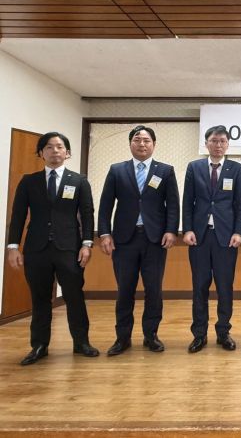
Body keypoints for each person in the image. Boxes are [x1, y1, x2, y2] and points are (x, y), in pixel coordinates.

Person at [6, 132, 99, 365]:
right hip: (36, 249)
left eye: (59, 147)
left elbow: (87, 214)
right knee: (39, 299)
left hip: (69, 248)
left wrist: (87, 243)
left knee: (74, 297)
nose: (54, 151)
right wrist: (13, 246)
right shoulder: (29, 181)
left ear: (67, 153)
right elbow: (18, 215)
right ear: (41, 153)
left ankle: (81, 342)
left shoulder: (79, 181)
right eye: (48, 147)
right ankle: (39, 345)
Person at [98, 125, 180, 356]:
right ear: (130, 143)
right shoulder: (117, 170)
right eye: (137, 140)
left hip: (155, 240)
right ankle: (122, 338)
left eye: (146, 140)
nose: (142, 144)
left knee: (154, 290)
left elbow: (173, 204)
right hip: (124, 240)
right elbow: (105, 205)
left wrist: (171, 230)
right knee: (125, 290)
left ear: (154, 144)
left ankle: (151, 335)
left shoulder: (165, 171)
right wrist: (104, 233)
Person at [182, 125, 241, 353]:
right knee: (199, 286)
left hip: (226, 237)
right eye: (214, 141)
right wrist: (187, 229)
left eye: (222, 141)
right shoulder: (195, 167)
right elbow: (187, 201)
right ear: (206, 143)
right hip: (199, 237)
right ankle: (199, 334)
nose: (218, 145)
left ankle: (223, 332)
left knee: (225, 286)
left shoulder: (236, 169)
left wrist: (238, 232)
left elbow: (240, 203)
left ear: (227, 145)